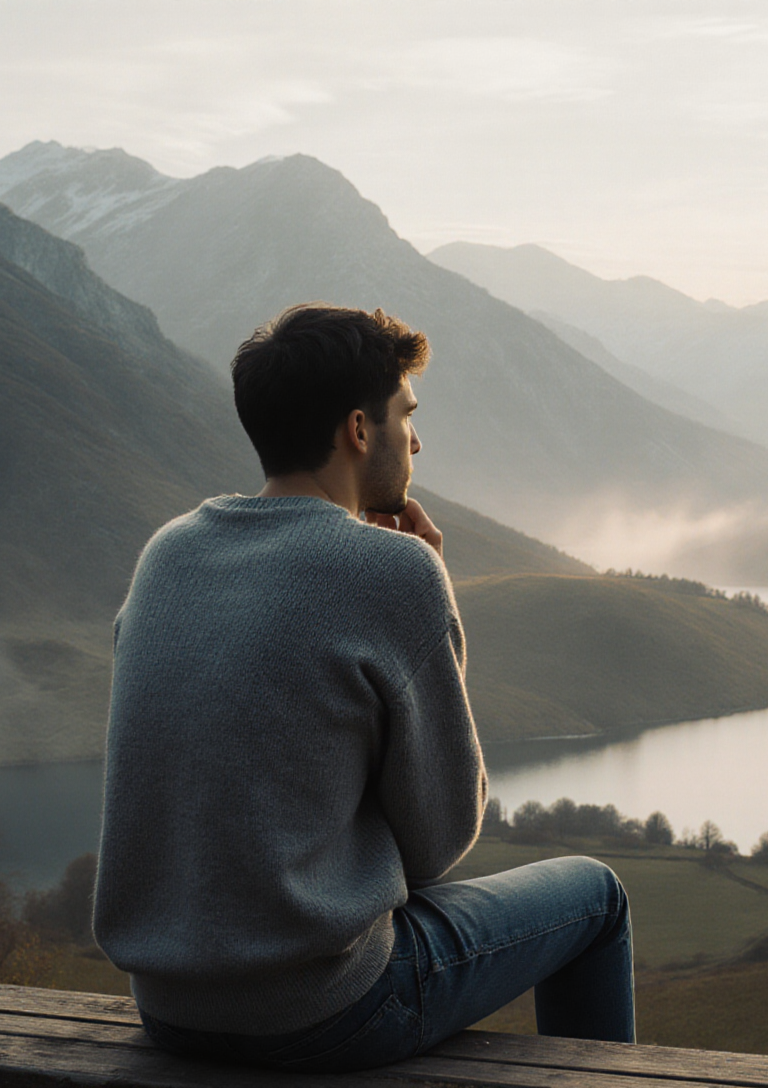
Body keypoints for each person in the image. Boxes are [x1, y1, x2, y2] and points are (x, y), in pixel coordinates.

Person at [93, 304, 634, 1072]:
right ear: (357, 429)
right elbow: (440, 843)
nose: (416, 440)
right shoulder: (398, 571)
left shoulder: (167, 554)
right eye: (405, 415)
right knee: (597, 897)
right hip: (323, 1010)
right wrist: (429, 591)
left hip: (169, 1007)